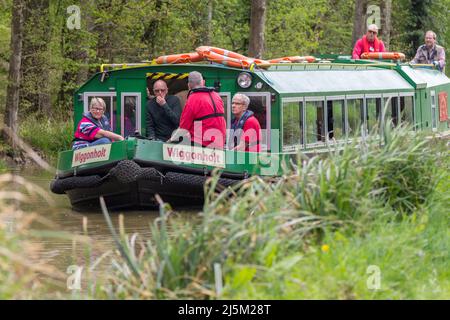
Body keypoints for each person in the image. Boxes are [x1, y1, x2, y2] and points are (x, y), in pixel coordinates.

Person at [169, 71, 226, 148]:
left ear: (189, 85)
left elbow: (183, 128)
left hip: (202, 144)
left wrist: (170, 141)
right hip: (220, 143)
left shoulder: (192, 99)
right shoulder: (217, 96)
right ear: (203, 82)